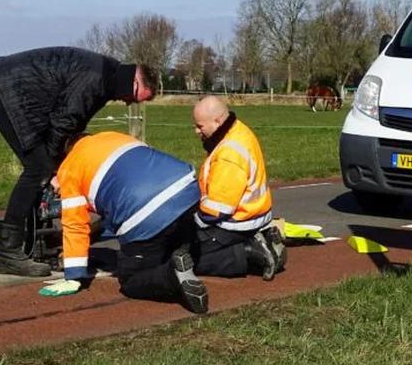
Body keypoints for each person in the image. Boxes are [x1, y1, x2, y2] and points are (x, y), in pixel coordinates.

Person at [0, 47, 157, 277]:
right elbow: (64, 122)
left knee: (43, 169)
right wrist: (55, 169)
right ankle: (7, 252)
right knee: (38, 169)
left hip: (21, 94)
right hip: (5, 89)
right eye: (132, 95)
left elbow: (74, 122)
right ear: (134, 78)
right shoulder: (96, 79)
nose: (127, 102)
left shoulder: (107, 77)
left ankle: (37, 246)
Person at [39, 131, 209, 314]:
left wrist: (73, 275)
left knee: (130, 279)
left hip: (145, 212)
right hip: (186, 189)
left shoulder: (69, 168)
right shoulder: (112, 136)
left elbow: (75, 226)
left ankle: (172, 275)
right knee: (180, 244)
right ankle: (239, 254)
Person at [190, 96, 286, 280]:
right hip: (254, 215)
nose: (196, 130)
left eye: (200, 126)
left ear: (218, 121)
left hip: (235, 223)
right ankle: (260, 240)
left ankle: (250, 253)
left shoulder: (229, 153)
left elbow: (216, 211)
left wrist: (189, 222)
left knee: (186, 256)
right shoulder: (238, 130)